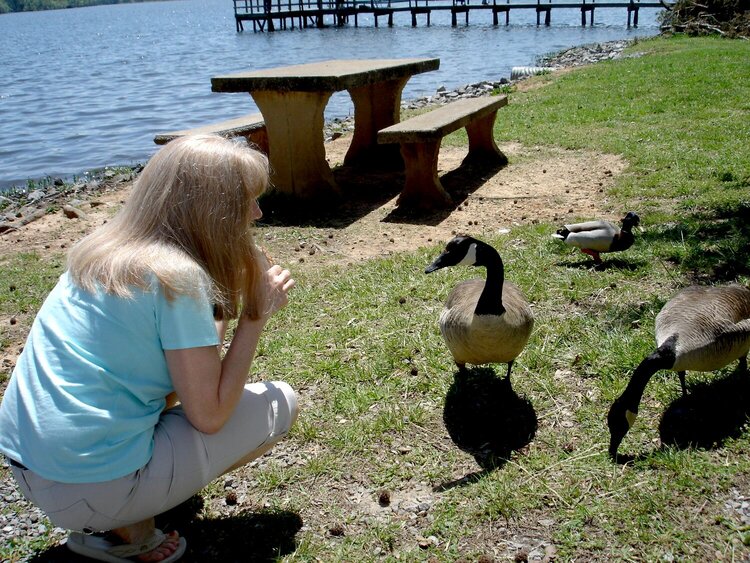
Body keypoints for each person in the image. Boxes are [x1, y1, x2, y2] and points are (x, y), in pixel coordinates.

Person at [0, 134, 298, 563]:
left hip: (31, 472)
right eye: (245, 202)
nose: (257, 213)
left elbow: (180, 375)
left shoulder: (101, 250)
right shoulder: (177, 277)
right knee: (280, 403)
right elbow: (209, 415)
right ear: (211, 211)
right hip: (93, 487)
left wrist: (226, 305)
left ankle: (123, 506)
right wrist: (255, 315)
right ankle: (129, 526)